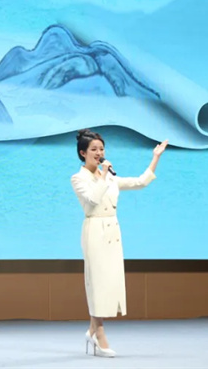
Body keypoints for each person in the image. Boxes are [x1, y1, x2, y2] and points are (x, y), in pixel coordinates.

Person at [70, 128, 168, 358]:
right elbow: (93, 199)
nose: (99, 153)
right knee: (97, 283)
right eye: (94, 149)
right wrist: (103, 175)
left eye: (101, 149)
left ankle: (91, 331)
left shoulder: (110, 177)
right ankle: (99, 333)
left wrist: (156, 157)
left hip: (113, 232)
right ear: (83, 153)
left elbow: (140, 182)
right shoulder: (78, 178)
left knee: (109, 282)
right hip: (95, 231)